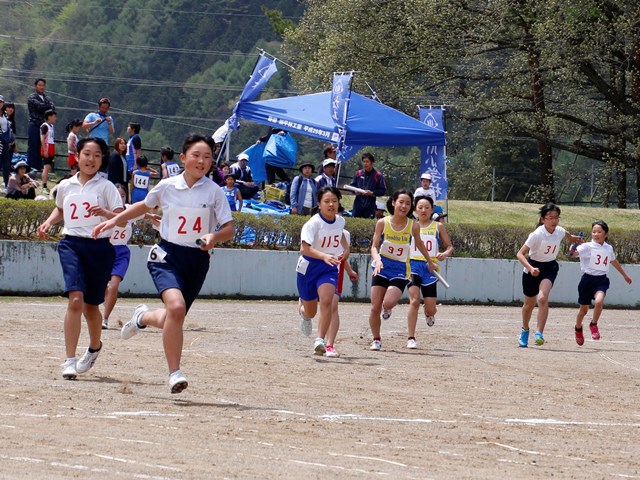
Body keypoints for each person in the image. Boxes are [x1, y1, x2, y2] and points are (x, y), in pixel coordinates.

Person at [92, 133, 235, 394]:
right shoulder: (167, 186)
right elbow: (141, 206)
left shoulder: (214, 191)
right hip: (166, 256)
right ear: (183, 158)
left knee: (174, 316)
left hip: (197, 260)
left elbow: (229, 228)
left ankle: (142, 317)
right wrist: (115, 220)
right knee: (176, 307)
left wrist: (213, 236)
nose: (202, 161)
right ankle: (174, 373)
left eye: (207, 157)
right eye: (196, 155)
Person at [37, 137, 124, 380]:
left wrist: (105, 213)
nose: (92, 159)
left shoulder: (107, 187)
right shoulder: (65, 185)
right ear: (76, 156)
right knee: (75, 300)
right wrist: (48, 221)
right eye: (87, 154)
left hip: (100, 248)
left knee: (91, 307)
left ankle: (95, 347)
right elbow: (61, 209)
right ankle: (69, 360)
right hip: (71, 244)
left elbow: (121, 217)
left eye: (97, 155)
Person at [368, 189, 437, 351]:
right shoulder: (382, 223)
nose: (404, 206)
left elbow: (419, 244)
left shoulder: (413, 225)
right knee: (374, 307)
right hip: (381, 267)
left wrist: (429, 261)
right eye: (401, 202)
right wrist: (377, 260)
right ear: (393, 203)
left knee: (388, 302)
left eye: (407, 203)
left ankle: (388, 308)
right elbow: (374, 246)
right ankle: (376, 339)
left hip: (400, 270)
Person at [516, 203, 584, 347]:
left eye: (556, 218)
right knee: (528, 304)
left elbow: (567, 236)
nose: (554, 221)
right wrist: (531, 268)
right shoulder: (536, 235)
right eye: (550, 218)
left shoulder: (559, 231)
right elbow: (520, 254)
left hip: (549, 268)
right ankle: (525, 329)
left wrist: (574, 239)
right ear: (543, 219)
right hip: (532, 267)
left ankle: (539, 333)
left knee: (542, 298)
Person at [297, 186, 350, 356]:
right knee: (310, 312)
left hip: (329, 268)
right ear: (319, 204)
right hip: (309, 267)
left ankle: (320, 340)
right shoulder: (313, 223)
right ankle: (303, 311)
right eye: (327, 201)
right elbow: (304, 249)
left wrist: (346, 251)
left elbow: (340, 237)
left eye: (334, 201)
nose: (331, 204)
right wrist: (323, 256)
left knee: (328, 301)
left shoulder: (340, 221)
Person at [568, 220, 632, 345]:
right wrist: (572, 249)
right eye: (593, 232)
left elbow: (613, 261)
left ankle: (593, 324)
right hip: (587, 280)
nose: (596, 234)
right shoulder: (587, 246)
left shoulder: (608, 248)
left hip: (601, 280)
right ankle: (578, 328)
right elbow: (573, 254)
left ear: (606, 234)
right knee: (583, 311)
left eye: (599, 232)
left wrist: (625, 275)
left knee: (599, 301)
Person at [406, 195, 453, 348]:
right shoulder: (411, 226)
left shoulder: (437, 227)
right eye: (420, 207)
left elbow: (449, 246)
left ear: (432, 209)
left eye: (427, 207)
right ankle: (411, 337)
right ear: (415, 210)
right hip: (413, 266)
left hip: (430, 269)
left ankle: (429, 314)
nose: (423, 210)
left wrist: (444, 254)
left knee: (431, 308)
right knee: (414, 302)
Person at [102, 184, 144, 330]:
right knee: (101, 287)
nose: (120, 198)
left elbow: (145, 209)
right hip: (104, 250)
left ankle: (105, 319)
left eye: (123, 195)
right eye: (117, 195)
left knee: (113, 286)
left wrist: (152, 215)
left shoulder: (129, 210)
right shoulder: (103, 208)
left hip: (121, 252)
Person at [27, 79, 55, 171]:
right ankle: (31, 167)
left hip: (45, 127)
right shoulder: (32, 97)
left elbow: (53, 107)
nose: (41, 87)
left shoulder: (47, 97)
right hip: (35, 125)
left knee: (43, 146)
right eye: (39, 85)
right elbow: (40, 106)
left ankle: (40, 167)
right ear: (35, 86)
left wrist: (45, 107)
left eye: (43, 85)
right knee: (33, 146)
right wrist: (46, 107)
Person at [350, 152, 386, 218]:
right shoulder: (358, 173)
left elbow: (382, 190)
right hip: (358, 205)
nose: (365, 164)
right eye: (364, 161)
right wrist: (355, 192)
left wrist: (372, 193)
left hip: (370, 205)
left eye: (367, 162)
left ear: (372, 162)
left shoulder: (378, 175)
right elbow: (352, 186)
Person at [0, 96, 17, 189]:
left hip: (5, 142)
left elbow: (9, 128)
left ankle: (6, 185)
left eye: (1, 102)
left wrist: (10, 140)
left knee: (7, 164)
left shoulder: (5, 115)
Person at [39, 109, 57, 194]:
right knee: (46, 168)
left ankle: (45, 185)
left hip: (51, 147)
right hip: (46, 147)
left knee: (48, 167)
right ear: (49, 117)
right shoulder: (44, 126)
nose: (55, 118)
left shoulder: (52, 126)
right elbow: (42, 138)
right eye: (54, 116)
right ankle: (43, 186)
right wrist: (45, 150)